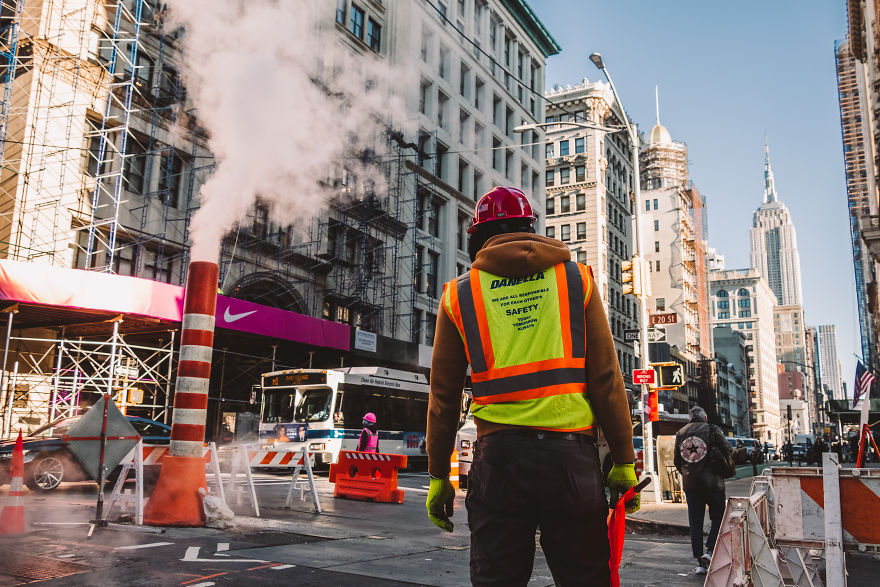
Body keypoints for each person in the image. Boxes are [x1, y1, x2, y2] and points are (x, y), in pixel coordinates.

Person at [424, 187, 638, 586]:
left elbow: (443, 396)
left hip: (499, 462)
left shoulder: (460, 294)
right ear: (530, 228)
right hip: (571, 462)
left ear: (476, 237)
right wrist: (624, 461)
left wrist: (439, 475)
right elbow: (607, 378)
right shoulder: (577, 280)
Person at [674, 406, 732, 576]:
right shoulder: (712, 429)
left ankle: (700, 561)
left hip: (691, 486)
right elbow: (728, 449)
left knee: (695, 522)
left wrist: (688, 472)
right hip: (713, 483)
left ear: (689, 419)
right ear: (705, 418)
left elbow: (677, 461)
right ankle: (710, 550)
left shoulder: (680, 433)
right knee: (719, 517)